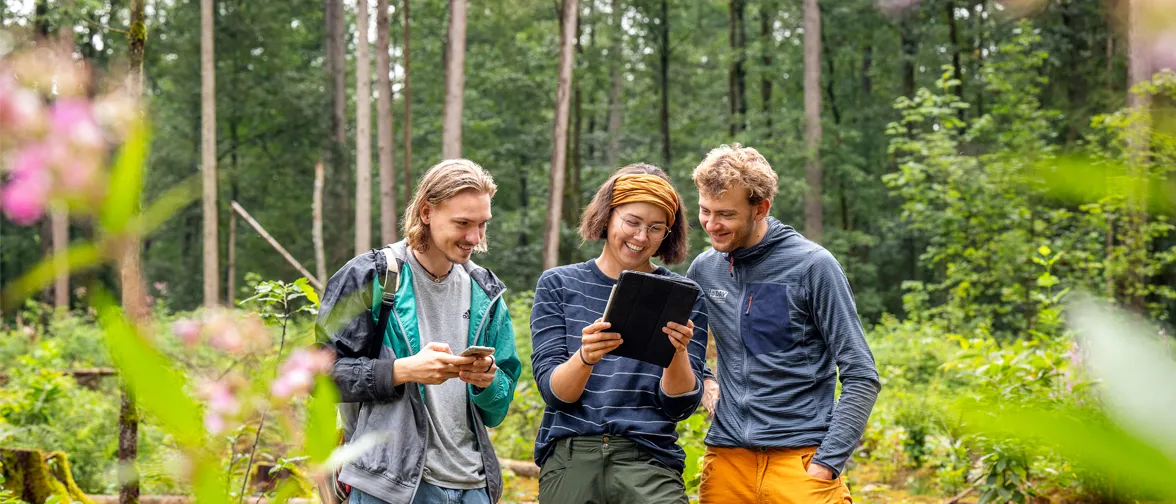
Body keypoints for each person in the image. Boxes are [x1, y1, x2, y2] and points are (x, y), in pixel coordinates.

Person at [317, 159, 521, 504]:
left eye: (482, 225)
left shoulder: (486, 292)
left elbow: (497, 408)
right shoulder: (372, 276)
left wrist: (487, 382)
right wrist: (400, 370)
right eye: (462, 223)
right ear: (426, 212)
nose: (475, 237)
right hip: (388, 485)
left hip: (474, 486)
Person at [687, 145, 881, 504]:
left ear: (761, 208)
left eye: (726, 214)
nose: (712, 225)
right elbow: (686, 350)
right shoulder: (704, 269)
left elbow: (861, 374)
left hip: (801, 460)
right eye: (704, 211)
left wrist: (826, 464)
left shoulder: (812, 266)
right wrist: (707, 384)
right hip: (727, 460)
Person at [529, 164, 709, 503]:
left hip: (648, 457)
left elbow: (680, 405)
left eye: (656, 228)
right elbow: (556, 394)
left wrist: (678, 353)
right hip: (572, 455)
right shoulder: (559, 284)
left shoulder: (683, 294)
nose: (641, 238)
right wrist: (585, 358)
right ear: (608, 217)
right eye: (632, 222)